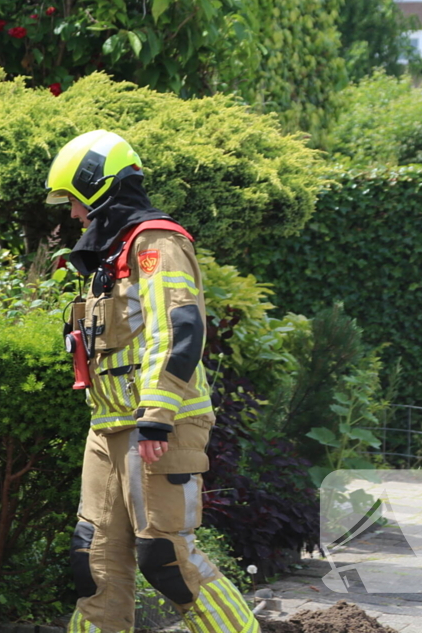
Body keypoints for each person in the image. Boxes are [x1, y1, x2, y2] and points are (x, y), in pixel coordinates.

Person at [46, 130, 259, 633]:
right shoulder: (113, 252)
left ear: (98, 187)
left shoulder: (155, 242)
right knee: (93, 561)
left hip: (158, 426)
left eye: (75, 200)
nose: (74, 214)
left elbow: (178, 328)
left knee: (166, 559)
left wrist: (157, 418)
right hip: (109, 427)